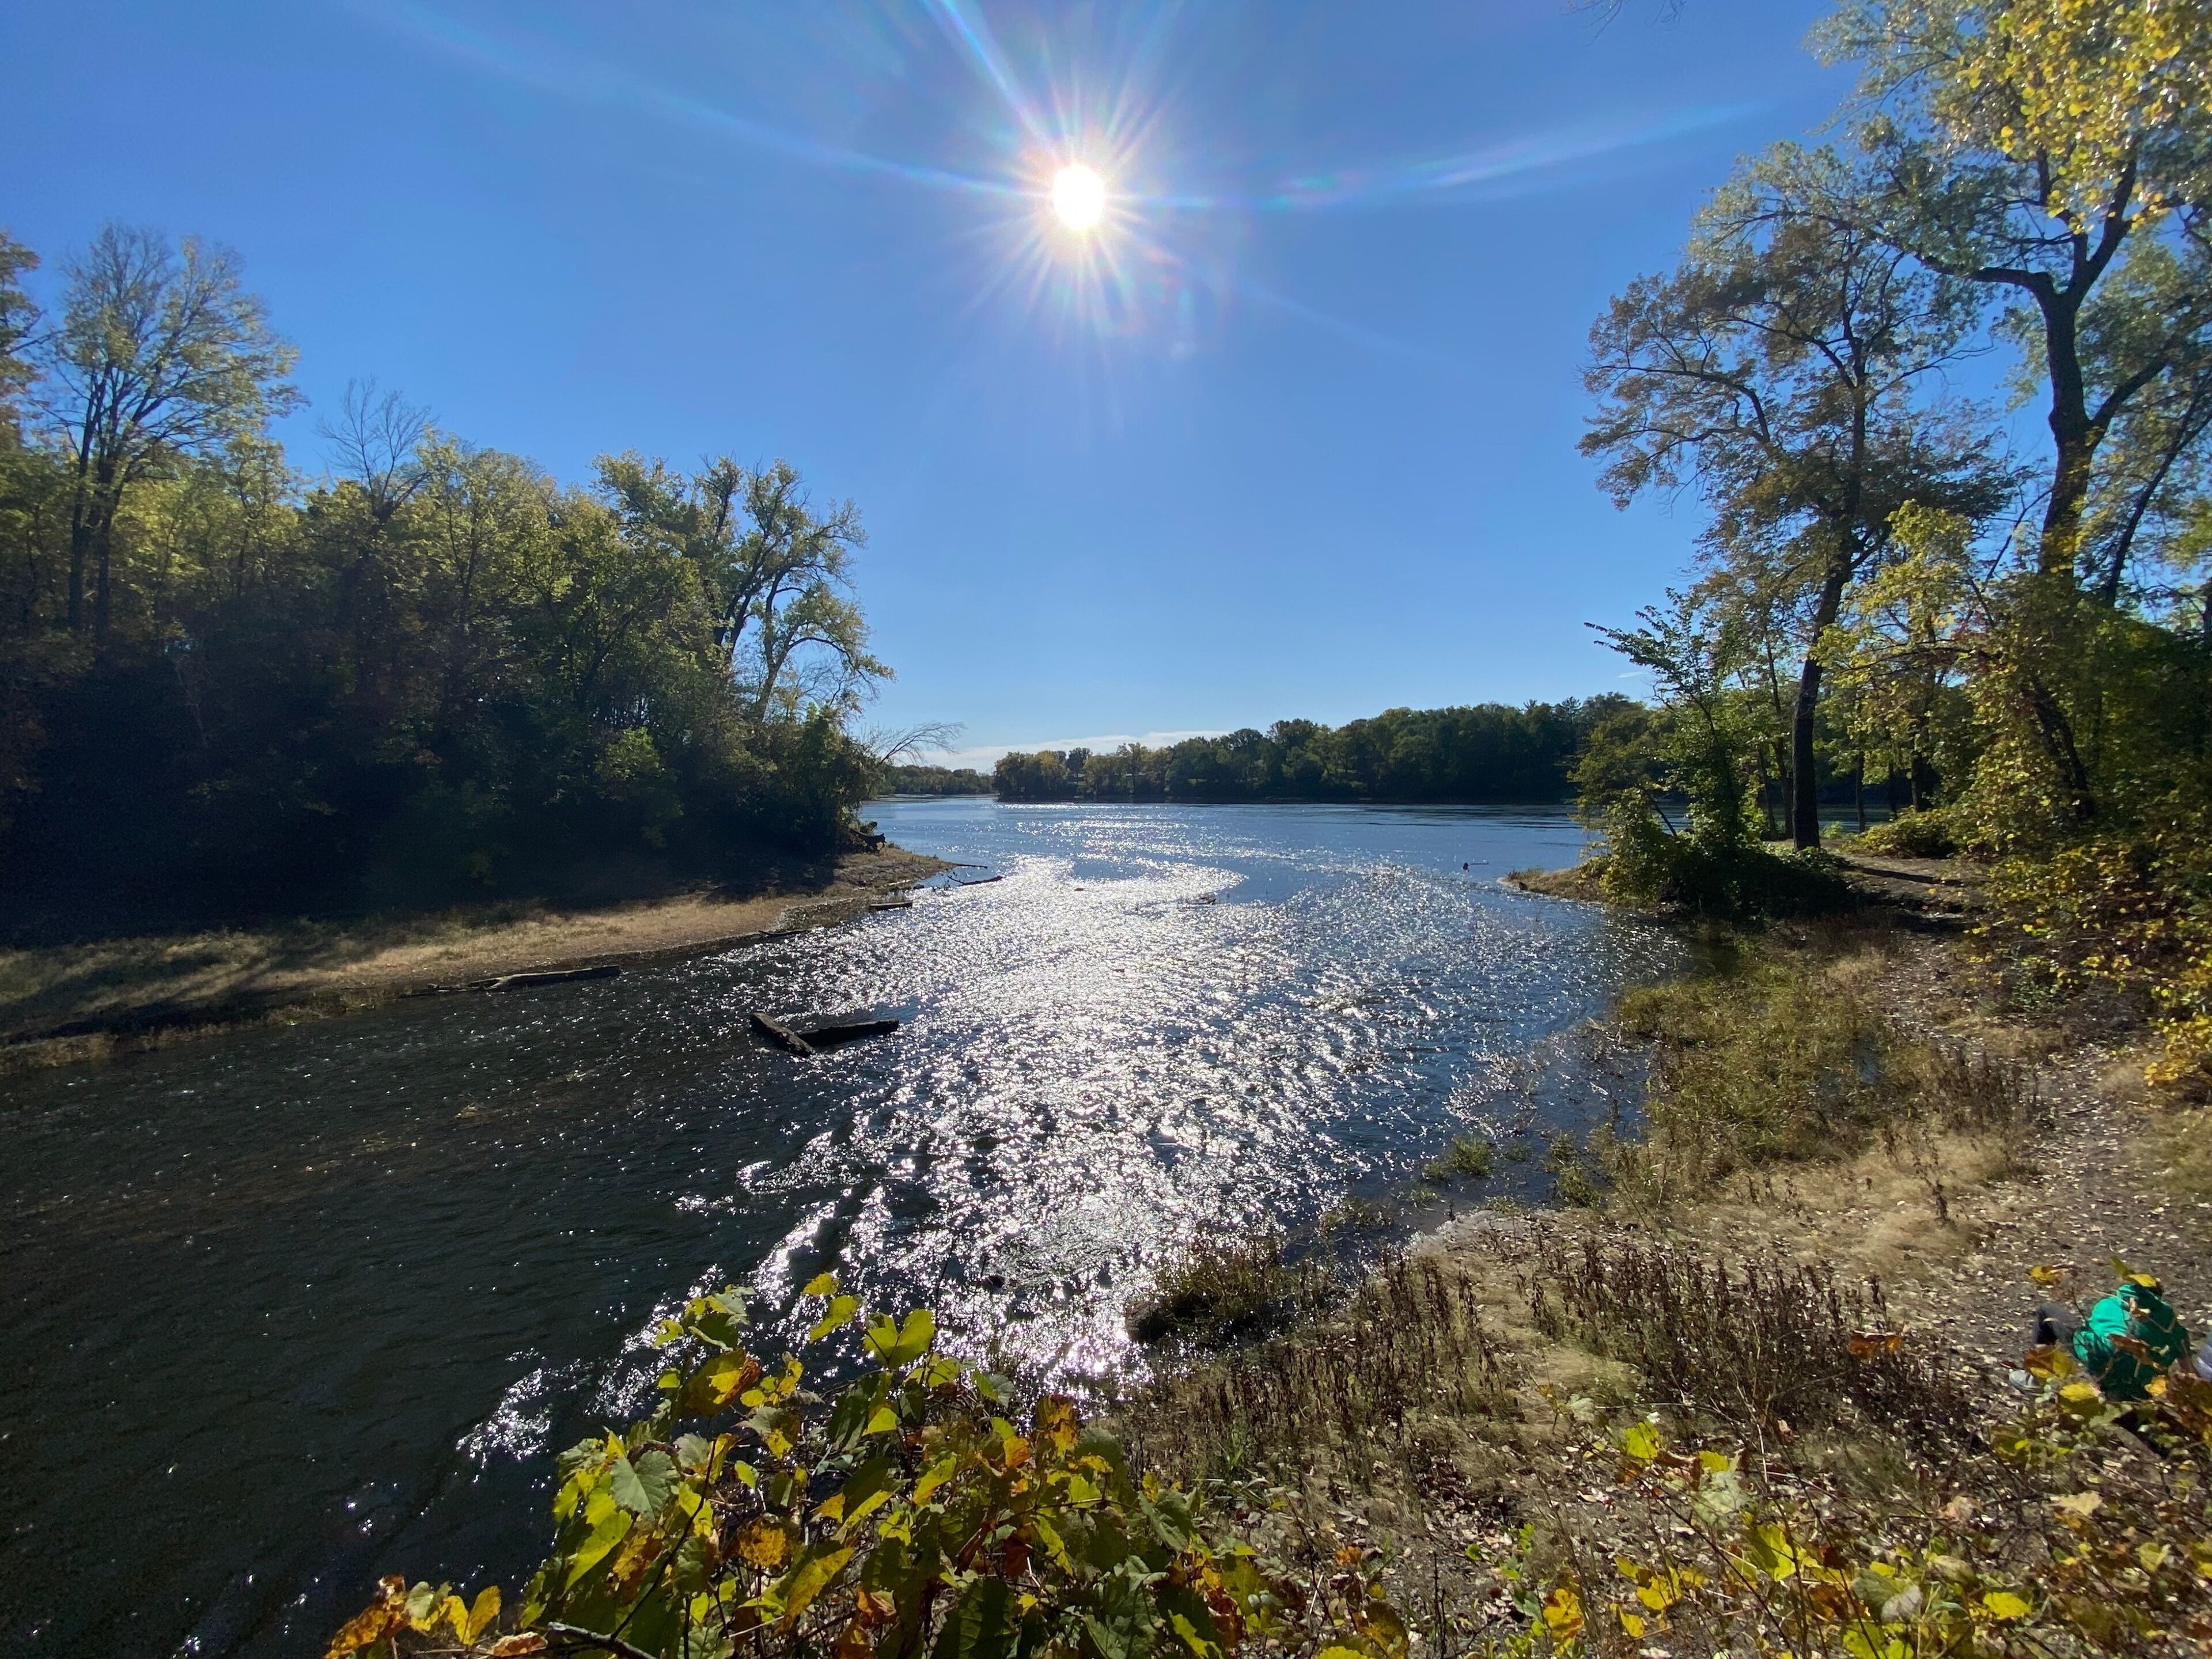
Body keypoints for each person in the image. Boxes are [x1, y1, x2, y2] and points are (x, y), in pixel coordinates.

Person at [2034, 1275, 2193, 1401]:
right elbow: (2189, 1371)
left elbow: (2094, 1331)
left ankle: (2036, 1379)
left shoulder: (2109, 1303)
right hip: (2141, 1383)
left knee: (2046, 1311)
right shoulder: (2173, 1327)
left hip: (2102, 1361)